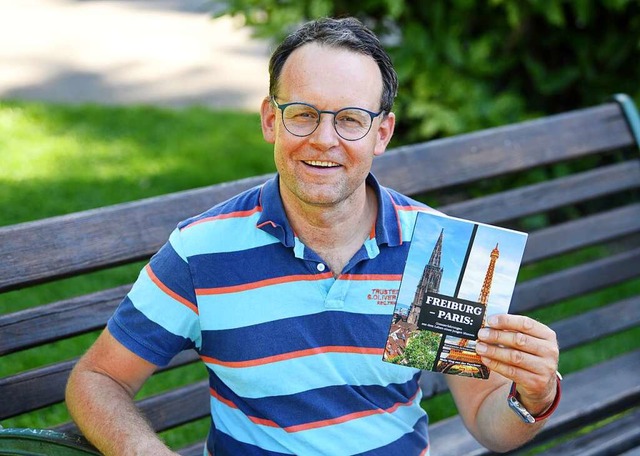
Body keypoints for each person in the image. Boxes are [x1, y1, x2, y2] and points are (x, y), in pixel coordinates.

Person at [65, 17, 560, 456]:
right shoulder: (202, 252)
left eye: (350, 119)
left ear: (382, 134)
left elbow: (488, 424)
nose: (324, 139)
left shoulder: (436, 251)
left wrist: (529, 399)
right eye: (303, 113)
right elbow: (97, 379)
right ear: (269, 120)